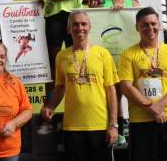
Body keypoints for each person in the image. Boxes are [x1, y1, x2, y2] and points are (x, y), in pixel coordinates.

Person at [41, 11, 119, 161]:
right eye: (75, 24)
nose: (80, 28)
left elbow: (111, 91)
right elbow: (60, 87)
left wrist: (113, 124)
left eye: (84, 24)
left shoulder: (102, 54)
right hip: (72, 127)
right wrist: (51, 106)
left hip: (100, 126)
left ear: (90, 27)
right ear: (68, 29)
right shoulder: (61, 56)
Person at [119, 7, 167, 161]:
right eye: (144, 25)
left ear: (159, 25)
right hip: (140, 122)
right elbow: (126, 87)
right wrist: (151, 107)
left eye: (153, 24)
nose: (150, 28)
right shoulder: (128, 54)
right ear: (137, 27)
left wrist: (160, 106)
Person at [101, 0, 140, 143]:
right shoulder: (102, 2)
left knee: (135, 95)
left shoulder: (135, 4)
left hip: (130, 58)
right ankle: (120, 132)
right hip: (109, 58)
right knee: (115, 97)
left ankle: (137, 131)